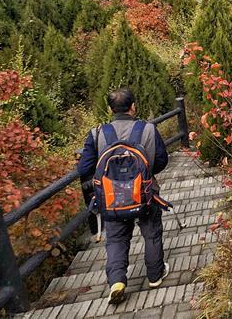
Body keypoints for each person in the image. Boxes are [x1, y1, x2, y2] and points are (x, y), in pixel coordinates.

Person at [77, 87, 170, 305]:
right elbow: (162, 160)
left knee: (116, 238)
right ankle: (155, 276)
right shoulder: (148, 129)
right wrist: (144, 173)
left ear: (110, 109)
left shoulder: (97, 134)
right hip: (145, 192)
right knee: (151, 232)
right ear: (133, 106)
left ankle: (117, 281)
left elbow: (84, 169)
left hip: (110, 198)